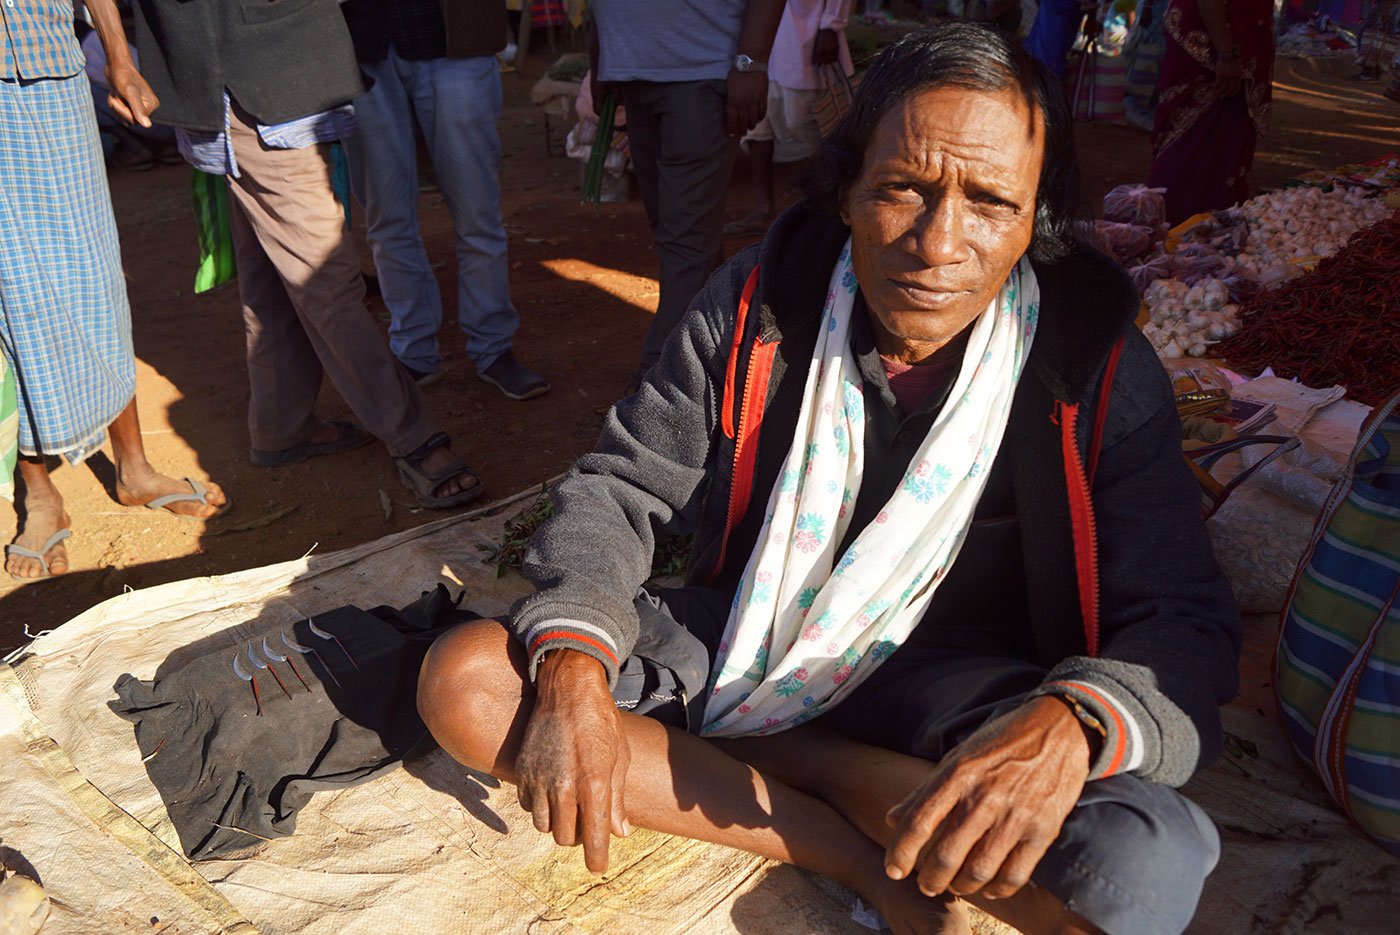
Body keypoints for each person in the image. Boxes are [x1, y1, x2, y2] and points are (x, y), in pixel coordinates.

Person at [418, 23, 1239, 935]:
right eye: (903, 189)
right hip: (752, 639)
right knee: (472, 681)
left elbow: (1184, 616)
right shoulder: (760, 305)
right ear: (846, 189)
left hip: (966, 694)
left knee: (1141, 860)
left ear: (1035, 221)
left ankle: (803, 754)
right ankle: (849, 831)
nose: (940, 243)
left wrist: (1066, 724)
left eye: (992, 204)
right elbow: (621, 484)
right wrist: (573, 668)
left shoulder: (1097, 368)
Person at [130, 0, 482, 510]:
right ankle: (415, 443)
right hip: (262, 85)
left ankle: (281, 426)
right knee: (327, 280)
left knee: (270, 273)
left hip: (240, 79)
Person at [0, 0, 229, 581]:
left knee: (94, 272)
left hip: (51, 72)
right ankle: (40, 492)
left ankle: (134, 468)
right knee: (6, 298)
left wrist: (119, 58)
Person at [339, 0, 550, 399]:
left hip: (459, 43)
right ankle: (413, 350)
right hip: (362, 43)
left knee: (478, 215)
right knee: (387, 220)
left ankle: (493, 348)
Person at [588, 0, 786, 375]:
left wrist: (752, 62)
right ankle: (719, 355)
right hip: (633, 73)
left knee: (684, 240)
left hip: (699, 71)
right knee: (677, 234)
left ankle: (660, 377)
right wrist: (602, 56)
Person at [726, 0, 856, 238]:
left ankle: (818, 209)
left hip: (803, 35)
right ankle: (762, 208)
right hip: (749, 41)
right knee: (756, 124)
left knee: (805, 126)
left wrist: (831, 25)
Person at [1146, 0, 1275, 225]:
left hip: (1235, 46)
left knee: (1221, 147)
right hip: (1214, 51)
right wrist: (1225, 54)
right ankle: (1170, 230)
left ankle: (1205, 235)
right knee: (1193, 144)